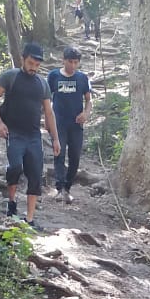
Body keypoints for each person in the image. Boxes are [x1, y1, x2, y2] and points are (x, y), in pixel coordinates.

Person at [0, 41, 60, 227]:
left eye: (37, 65)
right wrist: (0, 123)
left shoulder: (42, 84)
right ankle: (11, 204)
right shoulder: (11, 77)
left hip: (34, 136)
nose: (33, 67)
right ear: (23, 59)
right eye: (30, 63)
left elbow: (49, 112)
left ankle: (30, 219)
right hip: (14, 133)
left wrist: (56, 138)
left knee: (35, 175)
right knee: (15, 167)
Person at [47, 46, 91, 203]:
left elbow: (88, 99)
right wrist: (47, 118)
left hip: (76, 124)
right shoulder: (53, 76)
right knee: (59, 154)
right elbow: (46, 99)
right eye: (70, 62)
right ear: (63, 60)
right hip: (58, 122)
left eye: (75, 62)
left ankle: (67, 188)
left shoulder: (82, 78)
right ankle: (59, 188)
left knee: (75, 157)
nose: (72, 65)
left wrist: (86, 113)